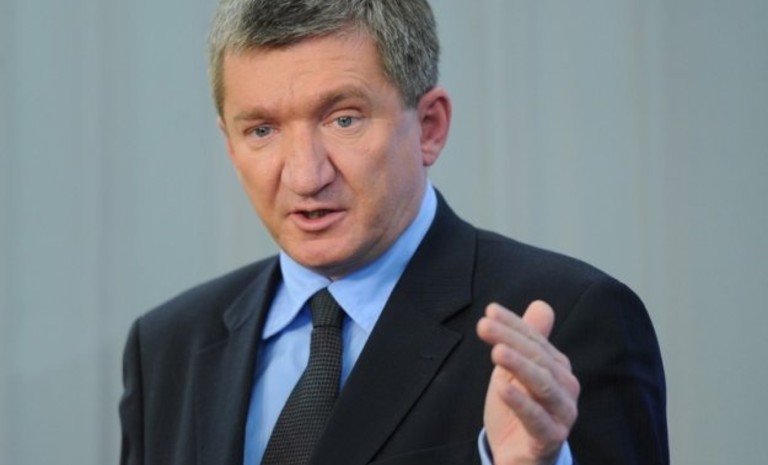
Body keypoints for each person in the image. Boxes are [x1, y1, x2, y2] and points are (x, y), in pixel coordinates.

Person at [119, 1, 669, 464]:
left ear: (429, 127)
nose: (306, 175)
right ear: (229, 143)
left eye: (344, 119)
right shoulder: (167, 347)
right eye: (261, 130)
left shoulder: (568, 322)